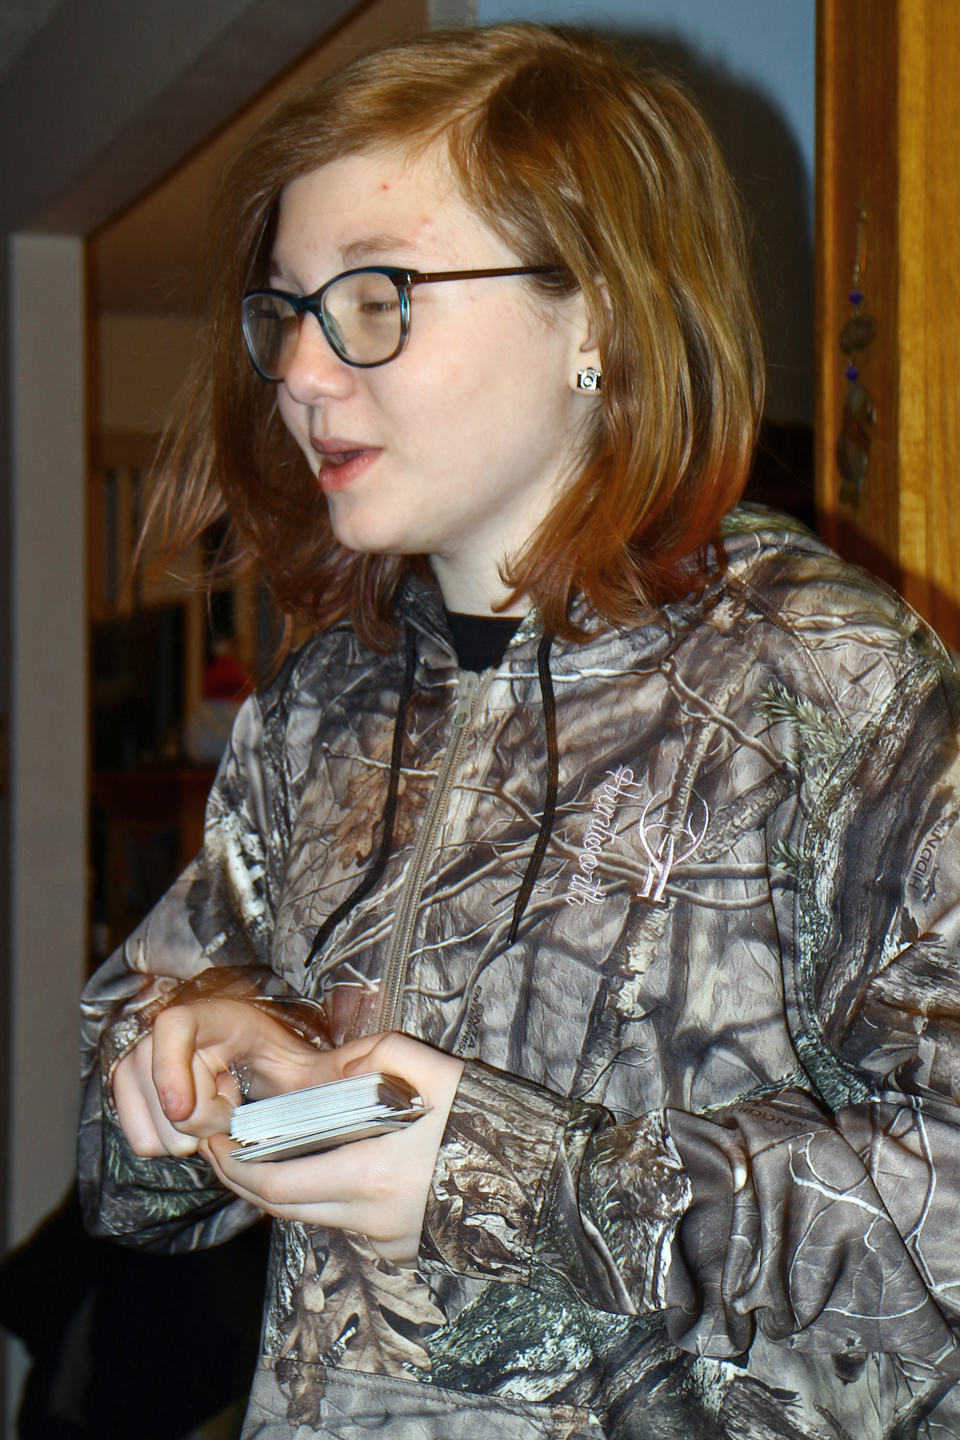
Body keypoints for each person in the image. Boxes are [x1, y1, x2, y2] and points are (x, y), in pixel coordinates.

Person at [78, 24, 960, 1440]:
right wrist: (204, 1060)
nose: (301, 371)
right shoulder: (323, 702)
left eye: (375, 297)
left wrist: (514, 1181)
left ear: (596, 318)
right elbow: (120, 1177)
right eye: (286, 311)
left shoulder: (830, 681)